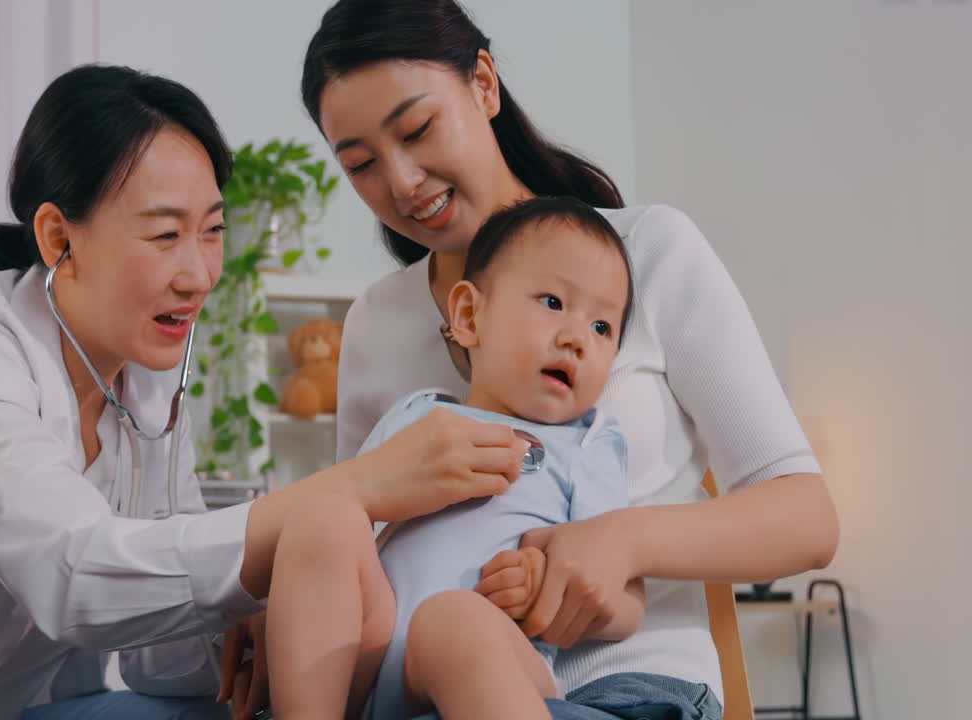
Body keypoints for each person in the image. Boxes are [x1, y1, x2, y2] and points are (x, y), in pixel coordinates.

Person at [0, 64, 530, 720]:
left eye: (211, 231)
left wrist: (252, 614)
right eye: (165, 235)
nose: (199, 274)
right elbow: (76, 577)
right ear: (59, 237)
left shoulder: (150, 391)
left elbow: (162, 659)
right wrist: (346, 491)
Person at [292, 0, 840, 717]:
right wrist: (277, 609)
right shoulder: (376, 322)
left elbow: (806, 519)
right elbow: (352, 533)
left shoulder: (649, 251)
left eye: (418, 130)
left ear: (483, 84)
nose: (400, 182)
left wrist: (622, 542)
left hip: (627, 692)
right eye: (361, 164)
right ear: (466, 316)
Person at [261, 197, 647, 720]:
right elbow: (349, 526)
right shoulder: (416, 416)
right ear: (469, 315)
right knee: (323, 514)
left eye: (602, 328)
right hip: (366, 652)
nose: (577, 338)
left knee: (451, 620)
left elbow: (627, 605)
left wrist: (546, 584)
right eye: (553, 302)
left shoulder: (583, 445)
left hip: (489, 655)